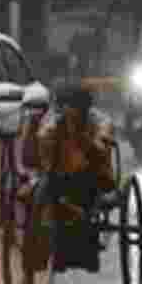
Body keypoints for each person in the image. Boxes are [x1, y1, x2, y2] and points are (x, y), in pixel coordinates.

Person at [30, 83, 117, 271]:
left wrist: (83, 138)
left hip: (92, 176)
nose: (66, 113)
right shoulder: (52, 122)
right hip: (58, 177)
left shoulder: (100, 121)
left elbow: (101, 150)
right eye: (62, 109)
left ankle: (79, 242)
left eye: (72, 109)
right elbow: (43, 147)